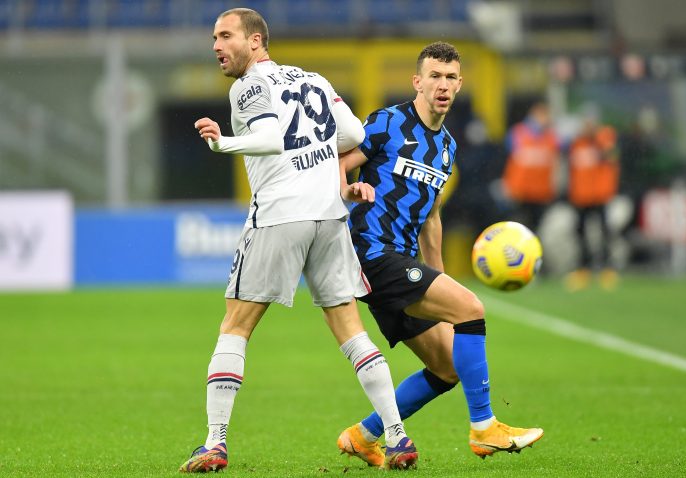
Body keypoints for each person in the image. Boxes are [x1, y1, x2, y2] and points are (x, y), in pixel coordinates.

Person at [179, 8, 417, 473]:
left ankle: (215, 443)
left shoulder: (247, 85)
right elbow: (353, 134)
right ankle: (397, 436)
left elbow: (269, 136)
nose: (216, 45)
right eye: (214, 37)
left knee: (236, 326)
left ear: (255, 41)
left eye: (226, 36)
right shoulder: (313, 79)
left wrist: (221, 143)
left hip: (280, 215)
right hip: (329, 215)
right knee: (351, 330)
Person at [336, 42, 543, 466]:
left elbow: (432, 218)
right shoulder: (388, 122)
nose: (442, 85)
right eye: (434, 76)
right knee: (471, 310)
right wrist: (348, 190)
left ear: (460, 84)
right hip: (373, 253)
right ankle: (485, 428)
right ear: (418, 82)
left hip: (403, 262)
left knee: (448, 367)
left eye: (450, 78)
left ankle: (364, 435)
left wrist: (440, 279)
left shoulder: (446, 147)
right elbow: (338, 162)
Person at [564, 115, 620, 291]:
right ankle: (583, 270)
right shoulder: (576, 144)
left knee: (604, 233)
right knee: (580, 234)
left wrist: (599, 141)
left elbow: (612, 156)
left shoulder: (603, 141)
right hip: (581, 196)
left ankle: (607, 270)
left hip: (599, 196)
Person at [501, 101, 560, 232]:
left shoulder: (551, 137)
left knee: (536, 230)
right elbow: (506, 160)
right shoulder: (518, 133)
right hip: (520, 193)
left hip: (541, 193)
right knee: (520, 230)